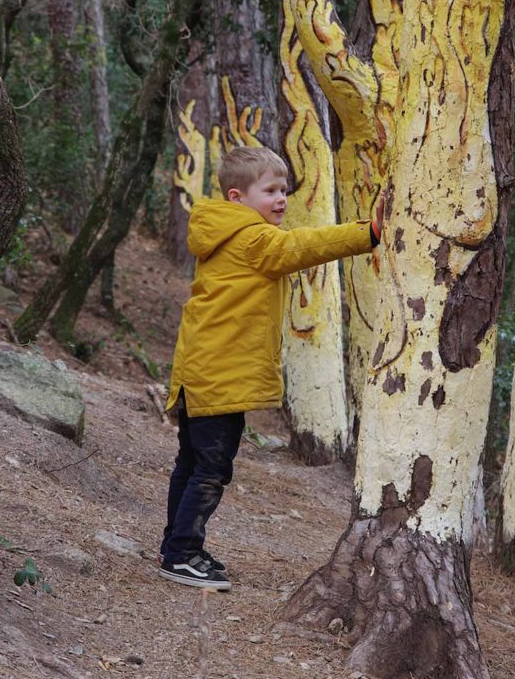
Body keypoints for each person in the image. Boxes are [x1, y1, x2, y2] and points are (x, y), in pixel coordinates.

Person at [159, 145, 382, 591]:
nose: (281, 199)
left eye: (284, 190)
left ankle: (178, 548)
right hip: (220, 374)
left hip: (201, 371)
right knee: (211, 467)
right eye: (271, 191)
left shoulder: (221, 232)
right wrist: (369, 233)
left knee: (192, 461)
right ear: (238, 197)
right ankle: (182, 554)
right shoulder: (253, 239)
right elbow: (300, 246)